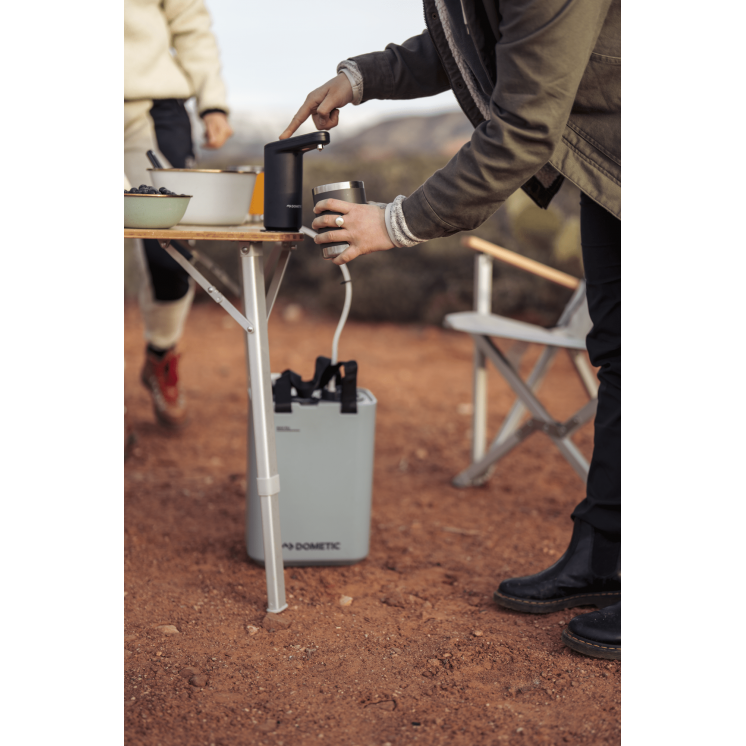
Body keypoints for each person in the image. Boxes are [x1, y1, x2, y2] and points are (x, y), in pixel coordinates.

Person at [280, 0, 621, 660]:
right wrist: (361, 77)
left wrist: (395, 222)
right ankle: (605, 551)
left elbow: (523, 130)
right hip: (613, 163)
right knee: (620, 357)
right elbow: (469, 39)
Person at [124, 0, 233, 427]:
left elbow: (189, 21)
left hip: (149, 109)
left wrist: (213, 102)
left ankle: (161, 352)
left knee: (169, 246)